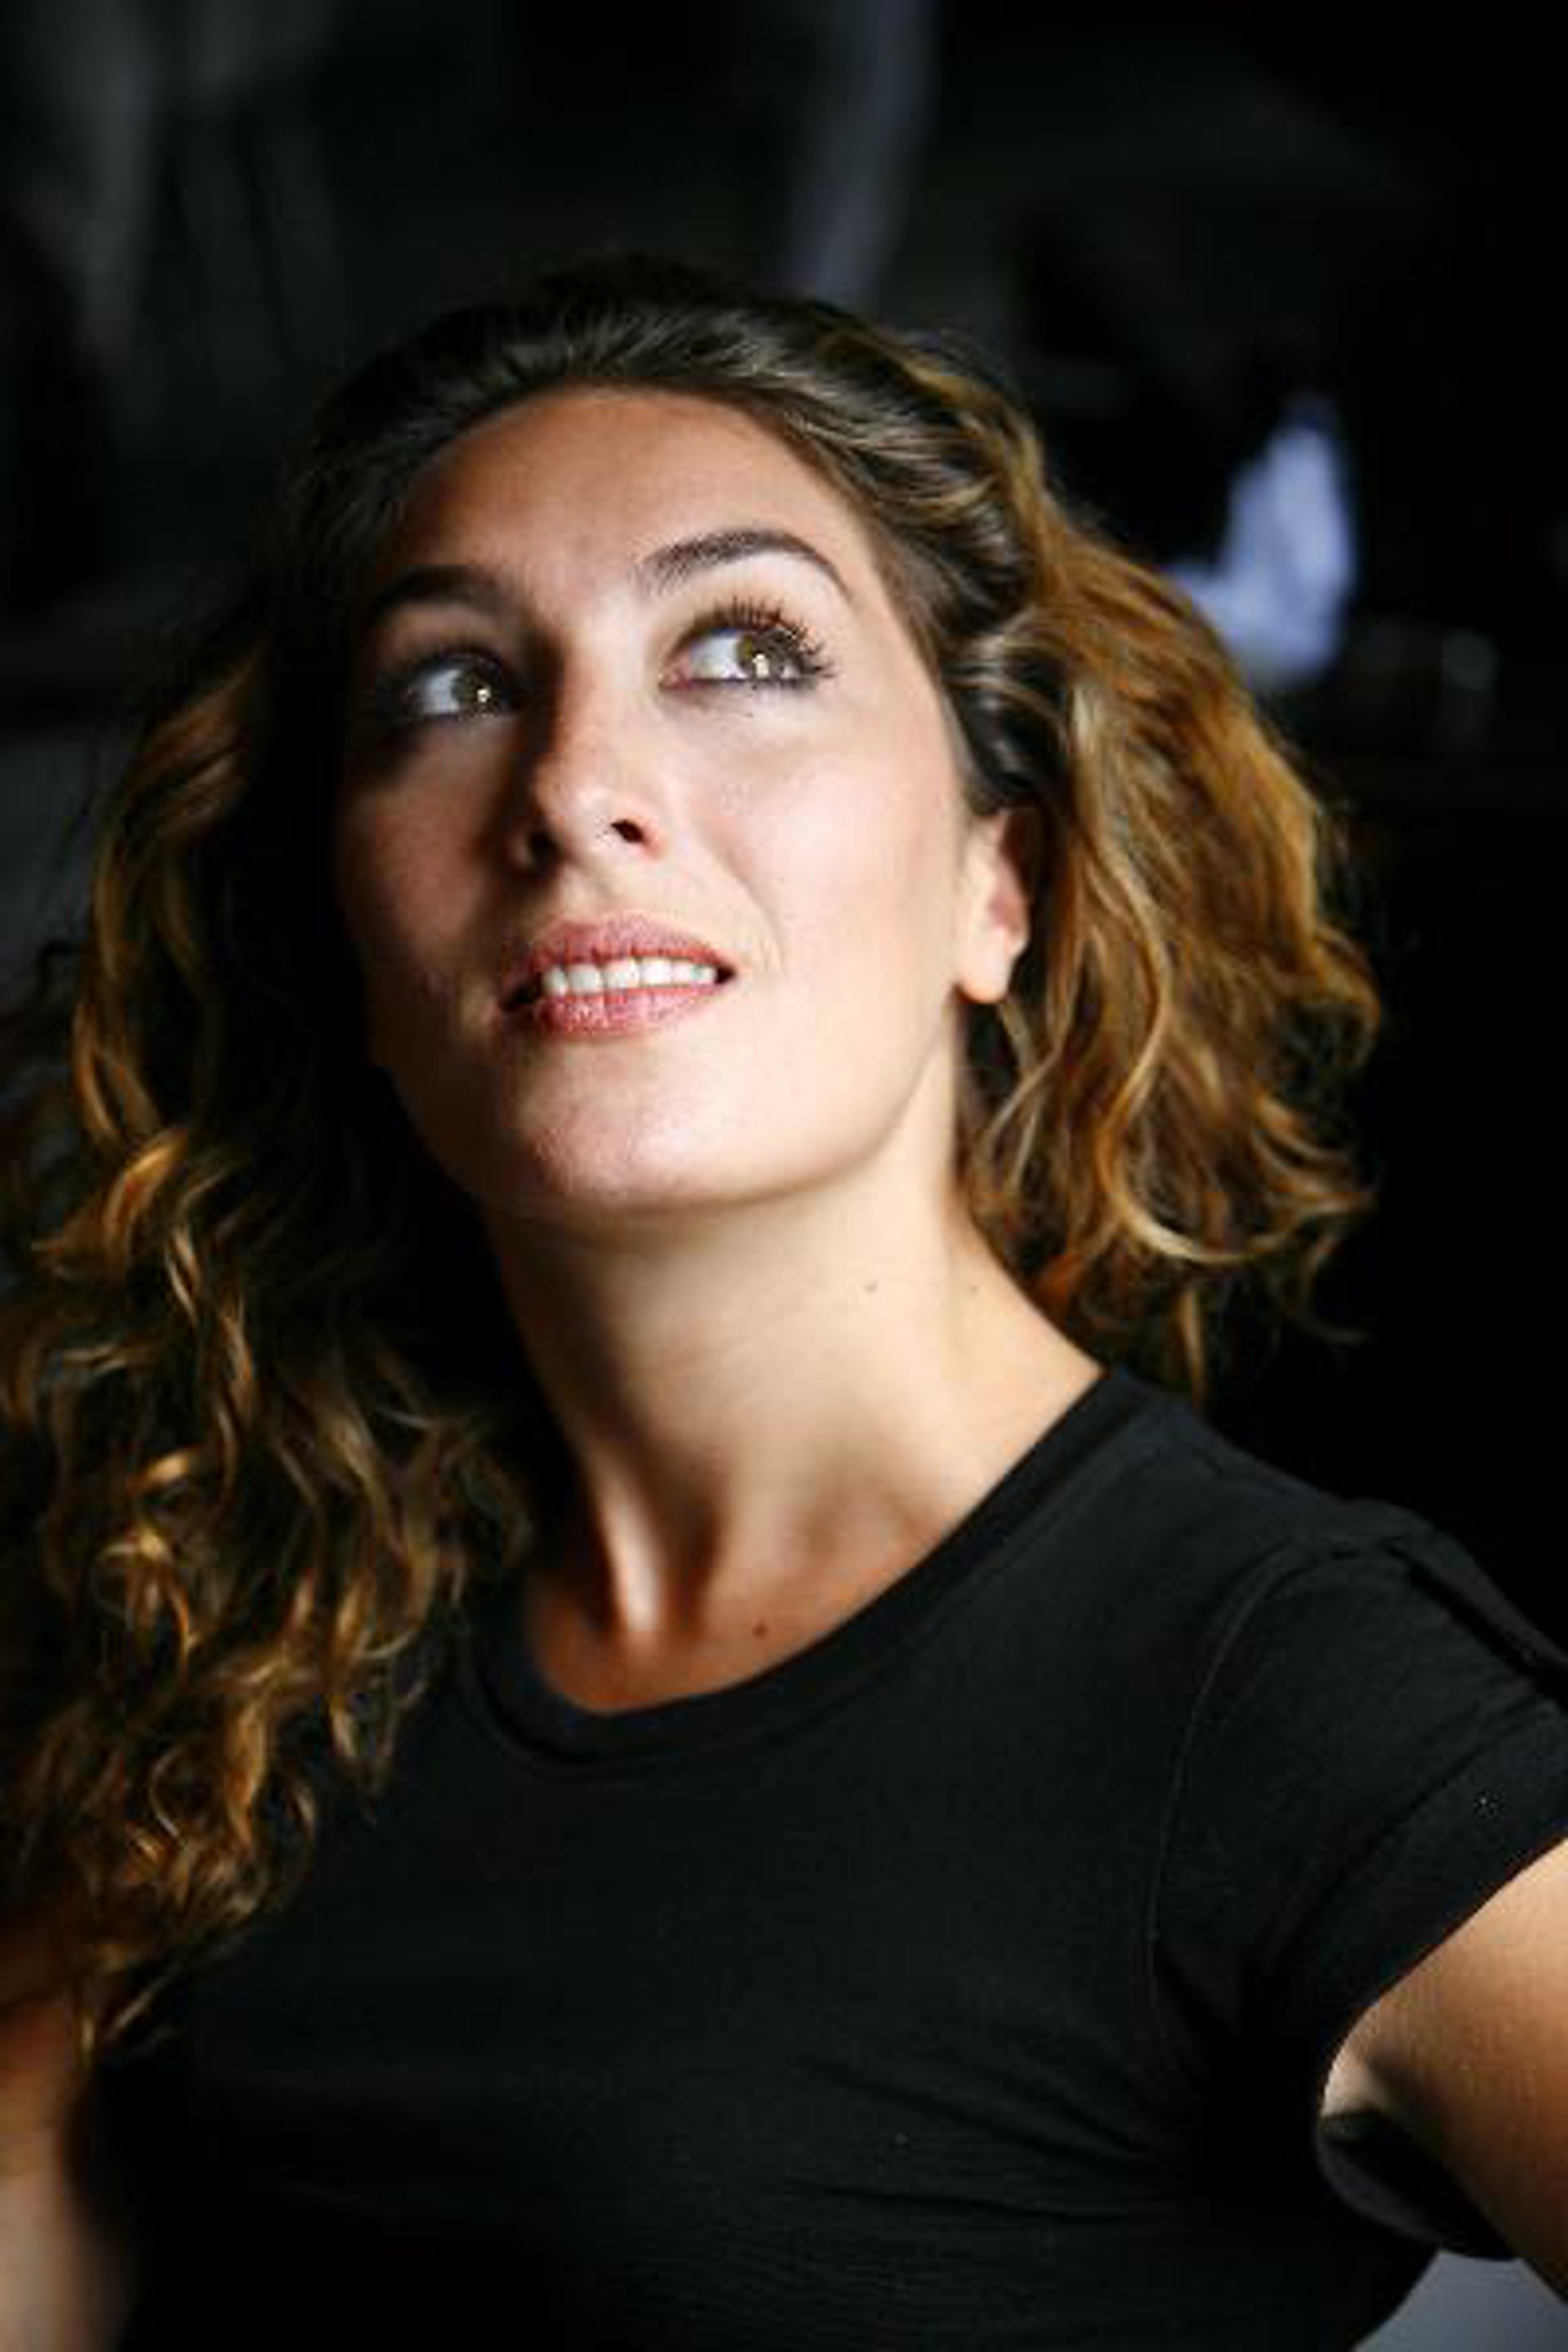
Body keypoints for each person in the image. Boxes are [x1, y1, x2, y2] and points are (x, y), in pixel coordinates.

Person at [2, 249, 1566, 2350]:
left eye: (743, 649)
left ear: (1001, 884)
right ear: (350, 949)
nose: (572, 786)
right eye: (451, 688)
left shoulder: (1284, 1701)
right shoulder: (240, 1610)